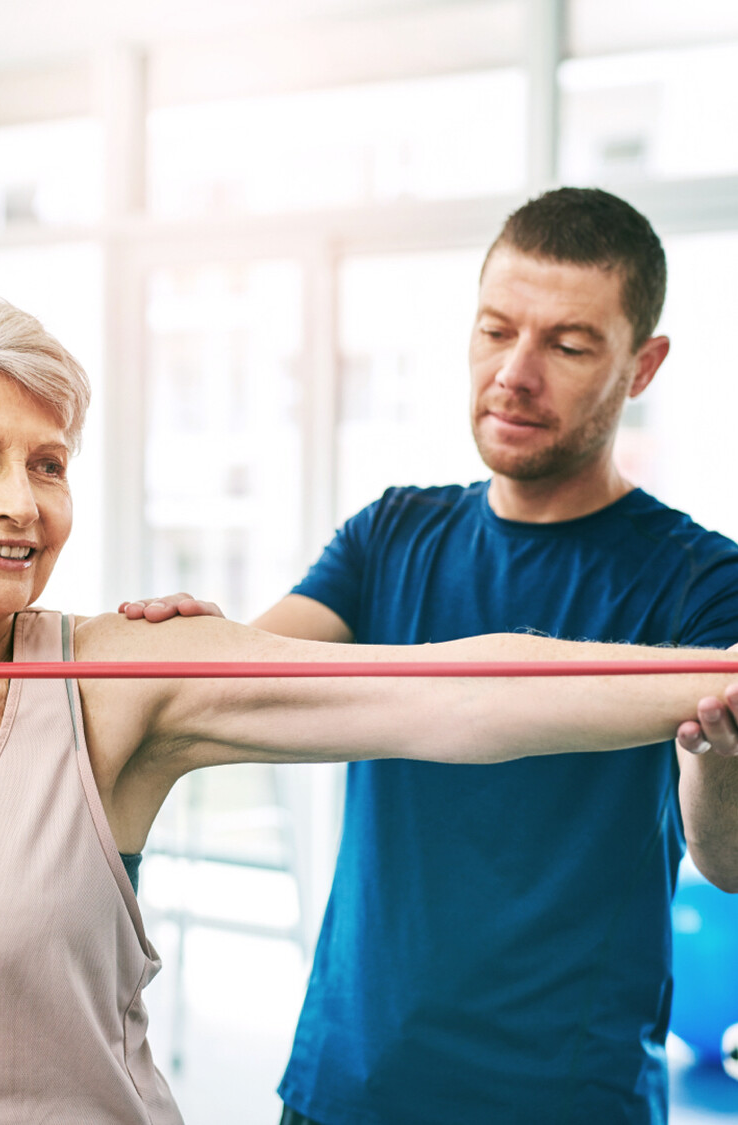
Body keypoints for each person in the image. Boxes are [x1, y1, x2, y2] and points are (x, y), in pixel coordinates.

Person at [0, 291, 735, 1125]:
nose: (24, 505)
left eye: (48, 465)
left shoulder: (120, 679)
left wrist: (721, 672)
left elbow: (447, 692)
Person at [122, 187, 738, 1124]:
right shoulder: (391, 532)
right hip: (345, 1081)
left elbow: (725, 858)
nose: (514, 375)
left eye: (567, 346)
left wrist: (712, 752)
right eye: (495, 331)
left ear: (641, 365)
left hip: (562, 1099)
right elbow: (241, 683)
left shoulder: (700, 581)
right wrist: (204, 638)